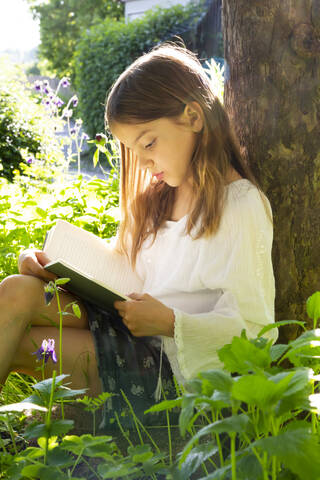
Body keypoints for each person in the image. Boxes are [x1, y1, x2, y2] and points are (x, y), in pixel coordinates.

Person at [0, 43, 277, 429]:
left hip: (167, 368)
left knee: (22, 343)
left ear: (194, 116)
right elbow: (124, 270)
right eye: (133, 150)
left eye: (148, 143)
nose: (144, 163)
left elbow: (255, 331)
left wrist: (171, 323)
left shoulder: (241, 206)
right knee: (16, 290)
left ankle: (76, 413)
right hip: (123, 326)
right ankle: (69, 407)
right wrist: (53, 265)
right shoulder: (155, 200)